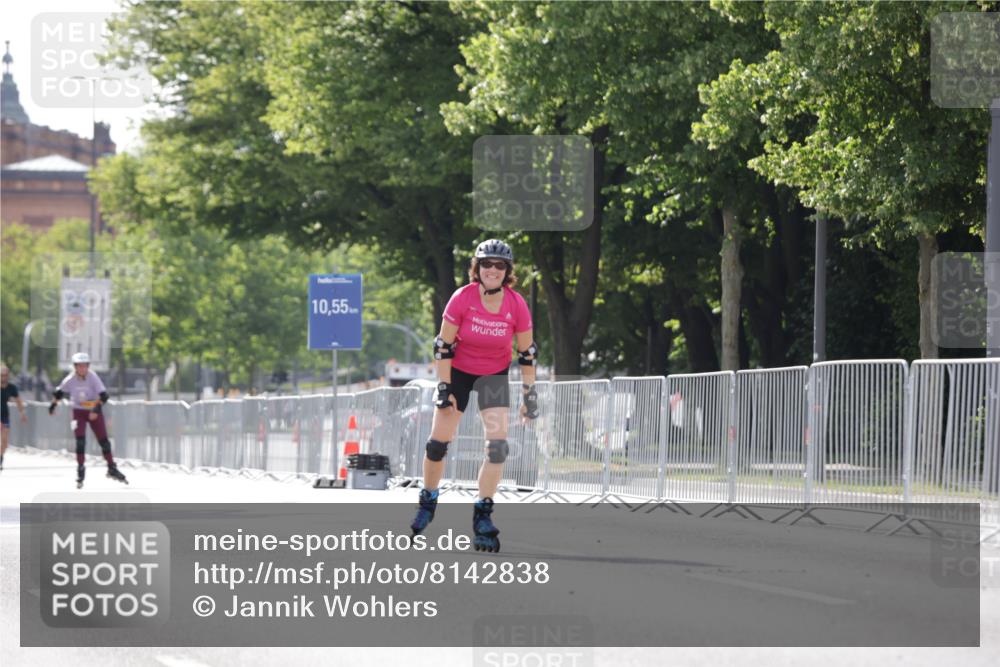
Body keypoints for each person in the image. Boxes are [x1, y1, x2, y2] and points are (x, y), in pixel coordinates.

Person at [410, 239, 539, 552]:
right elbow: (443, 345)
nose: (492, 270)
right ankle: (428, 500)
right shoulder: (462, 297)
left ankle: (483, 513)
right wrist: (443, 387)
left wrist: (529, 397)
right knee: (437, 443)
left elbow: (527, 353)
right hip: (459, 374)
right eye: (486, 264)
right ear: (477, 268)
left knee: (497, 447)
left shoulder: (516, 304)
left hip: (493, 376)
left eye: (499, 265)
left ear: (507, 271)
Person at [49, 352, 128, 488]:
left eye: (85, 366)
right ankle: (80, 469)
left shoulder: (92, 377)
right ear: (75, 367)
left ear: (88, 366)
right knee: (80, 442)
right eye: (79, 366)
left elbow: (104, 396)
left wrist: (95, 410)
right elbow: (59, 393)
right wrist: (53, 406)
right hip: (78, 412)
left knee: (104, 442)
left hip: (94, 411)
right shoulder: (70, 379)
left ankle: (111, 468)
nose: (82, 369)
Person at [1, 364, 28, 470]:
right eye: (1, 375)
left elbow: (18, 401)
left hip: (4, 416)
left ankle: (0, 458)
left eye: (5, 375)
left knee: (4, 442)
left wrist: (22, 413)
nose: (3, 377)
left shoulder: (11, 387)